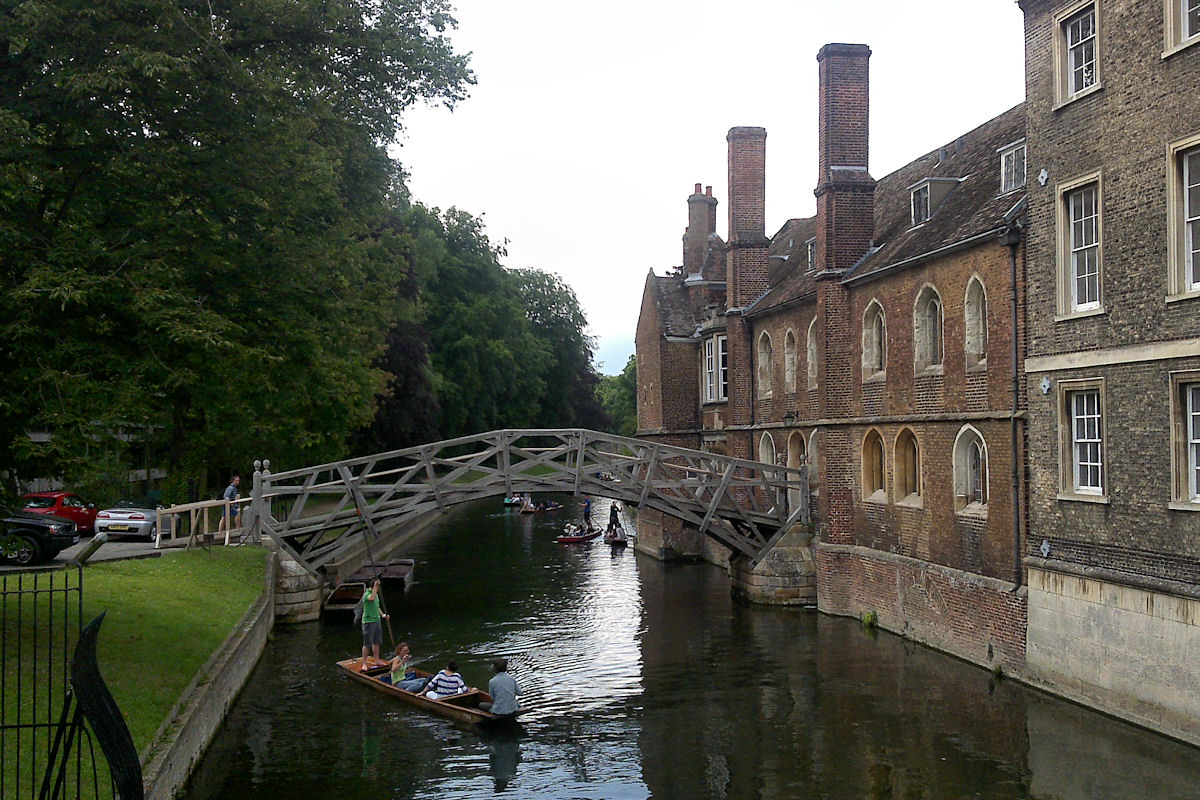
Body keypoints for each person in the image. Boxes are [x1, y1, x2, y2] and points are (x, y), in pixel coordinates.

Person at [360, 579, 389, 668]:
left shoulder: (375, 594)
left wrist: (383, 615)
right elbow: (371, 599)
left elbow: (377, 606)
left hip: (377, 620)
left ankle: (377, 660)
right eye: (378, 587)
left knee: (377, 641)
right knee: (367, 643)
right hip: (368, 622)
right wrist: (376, 586)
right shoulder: (367, 595)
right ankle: (364, 663)